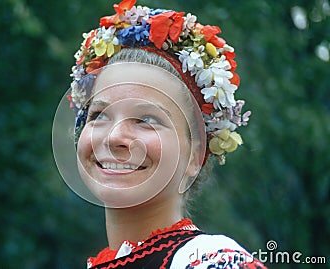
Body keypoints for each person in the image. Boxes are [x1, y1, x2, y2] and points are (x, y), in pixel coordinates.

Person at [63, 0, 267, 268]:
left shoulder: (210, 261)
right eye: (99, 115)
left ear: (195, 155)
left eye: (146, 120)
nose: (114, 137)